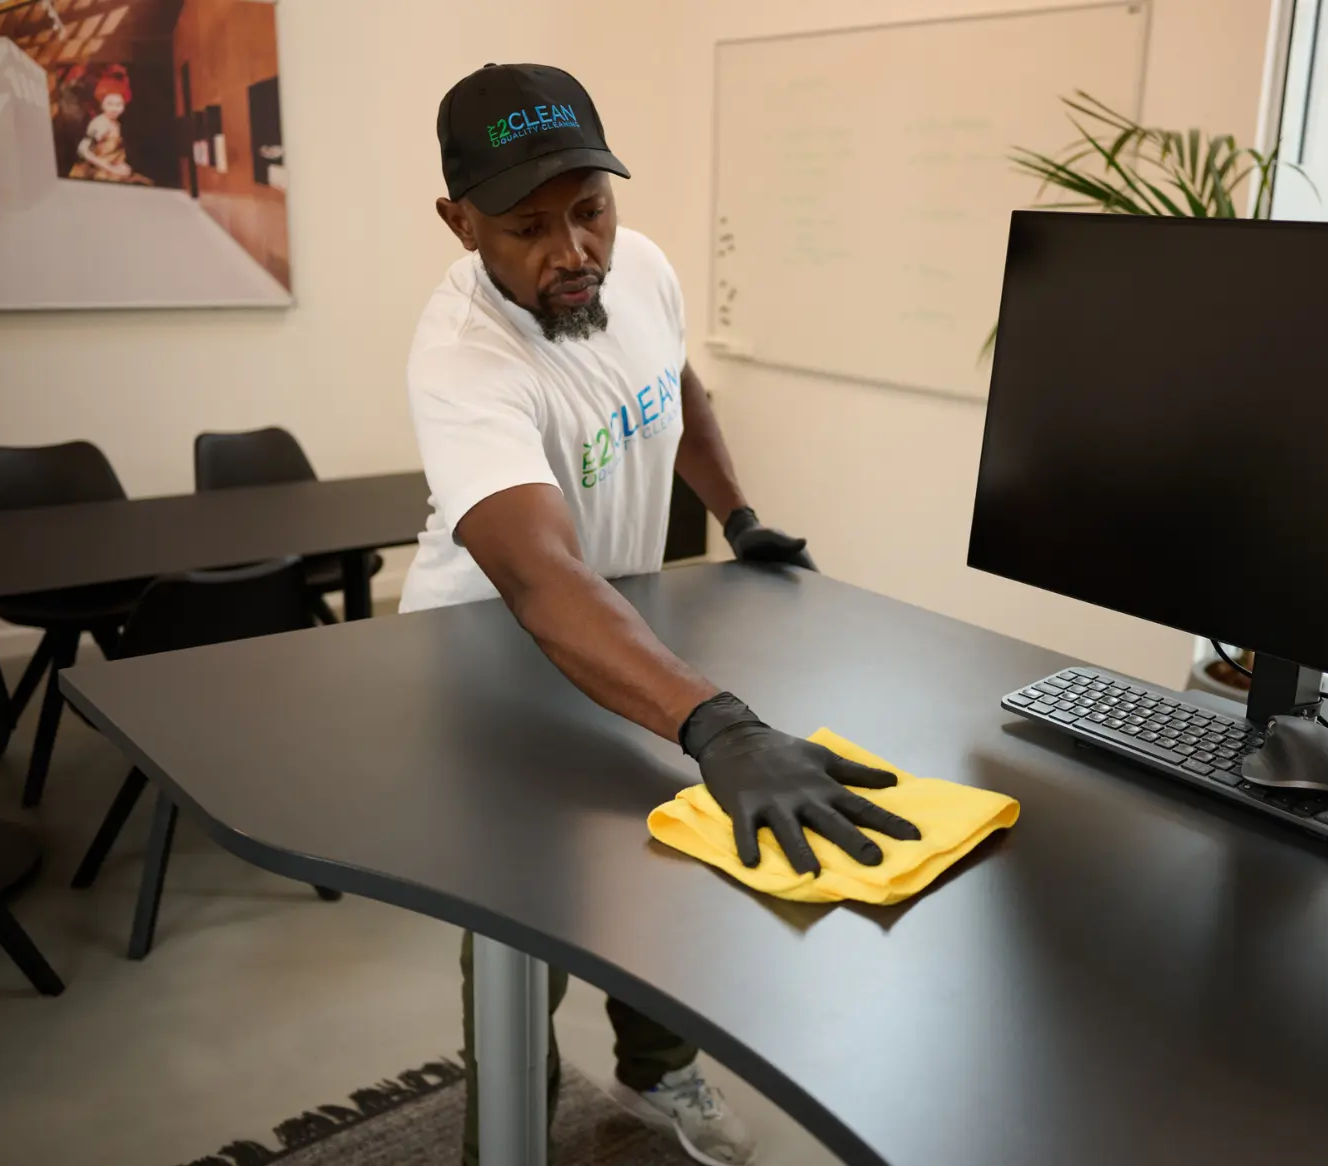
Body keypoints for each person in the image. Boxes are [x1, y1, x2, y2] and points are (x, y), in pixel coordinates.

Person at [404, 64, 922, 1166]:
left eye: (588, 208)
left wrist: (736, 515)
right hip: (490, 646)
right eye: (527, 227)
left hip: (621, 616)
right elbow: (542, 585)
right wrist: (721, 724)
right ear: (460, 224)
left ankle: (657, 1069)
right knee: (525, 913)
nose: (573, 250)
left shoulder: (633, 267)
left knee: (655, 857)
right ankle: (508, 1126)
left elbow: (674, 383)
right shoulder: (461, 359)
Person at [67, 89, 150, 184]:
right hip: (95, 169)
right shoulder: (99, 124)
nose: (114, 109)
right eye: (110, 104)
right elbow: (83, 150)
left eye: (118, 105)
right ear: (102, 105)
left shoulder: (117, 124)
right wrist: (111, 168)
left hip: (112, 165)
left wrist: (121, 165)